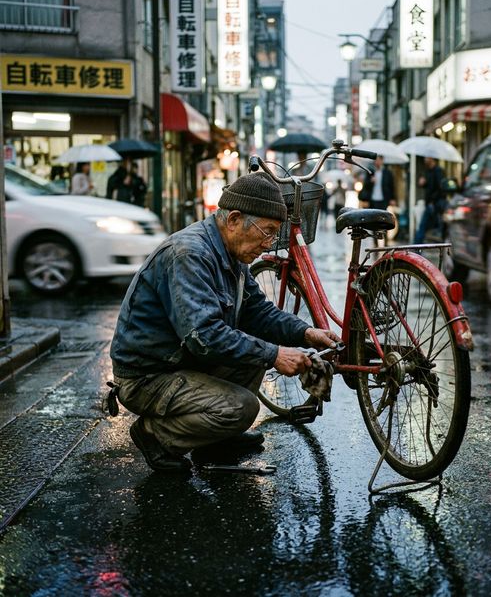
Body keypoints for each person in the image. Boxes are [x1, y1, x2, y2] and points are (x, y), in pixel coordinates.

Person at [109, 171, 340, 472]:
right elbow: (204, 336)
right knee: (241, 407)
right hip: (148, 376)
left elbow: (258, 312)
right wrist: (275, 355)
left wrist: (306, 333)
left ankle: (215, 438)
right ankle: (155, 436)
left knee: (254, 357)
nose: (269, 245)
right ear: (233, 220)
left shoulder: (232, 254)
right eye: (267, 232)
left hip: (182, 360)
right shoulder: (190, 254)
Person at [414, 157, 447, 244]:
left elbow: (440, 188)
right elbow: (428, 186)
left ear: (432, 158)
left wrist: (432, 200)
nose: (425, 160)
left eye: (426, 158)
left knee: (428, 225)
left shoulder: (438, 171)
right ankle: (417, 246)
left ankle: (417, 246)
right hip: (429, 203)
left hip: (436, 203)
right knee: (426, 226)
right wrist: (423, 184)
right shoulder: (427, 171)